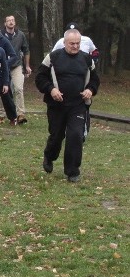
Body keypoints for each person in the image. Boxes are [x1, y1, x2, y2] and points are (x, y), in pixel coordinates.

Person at [36, 29, 99, 182]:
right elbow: (39, 78)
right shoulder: (53, 57)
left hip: (77, 105)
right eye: (72, 43)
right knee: (56, 136)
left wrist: (90, 90)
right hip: (57, 105)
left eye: (78, 43)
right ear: (64, 43)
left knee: (76, 135)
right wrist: (51, 90)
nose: (75, 46)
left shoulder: (87, 59)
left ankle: (72, 171)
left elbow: (95, 80)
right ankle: (49, 156)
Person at [1, 15, 31, 124]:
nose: (11, 22)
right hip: (4, 66)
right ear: (5, 23)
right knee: (3, 91)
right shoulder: (0, 35)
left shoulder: (20, 35)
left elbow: (26, 50)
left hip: (17, 65)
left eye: (12, 20)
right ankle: (1, 114)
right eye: (8, 20)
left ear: (15, 22)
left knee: (19, 89)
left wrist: (27, 66)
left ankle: (21, 114)